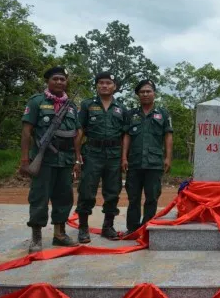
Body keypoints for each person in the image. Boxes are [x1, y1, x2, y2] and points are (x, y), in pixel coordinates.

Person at [20, 66, 80, 253]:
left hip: (65, 159)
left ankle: (59, 234)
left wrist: (77, 159)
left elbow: (76, 133)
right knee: (39, 197)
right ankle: (36, 237)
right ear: (48, 81)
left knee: (64, 197)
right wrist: (24, 159)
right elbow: (27, 131)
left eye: (63, 79)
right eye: (56, 79)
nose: (59, 82)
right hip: (43, 158)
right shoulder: (37, 101)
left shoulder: (71, 106)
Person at [75, 72, 128, 243]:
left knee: (113, 191)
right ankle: (83, 228)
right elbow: (80, 131)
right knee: (87, 190)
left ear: (114, 87)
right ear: (97, 86)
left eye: (108, 83)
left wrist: (123, 158)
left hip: (114, 155)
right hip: (92, 153)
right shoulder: (87, 105)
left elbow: (124, 135)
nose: (104, 86)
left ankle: (108, 226)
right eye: (101, 83)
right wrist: (76, 156)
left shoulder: (121, 108)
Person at [121, 79, 173, 235]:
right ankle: (132, 229)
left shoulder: (163, 114)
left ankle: (147, 229)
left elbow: (168, 136)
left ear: (154, 94)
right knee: (133, 198)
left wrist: (168, 158)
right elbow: (127, 136)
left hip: (154, 163)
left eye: (148, 91)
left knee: (152, 197)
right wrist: (124, 157)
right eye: (142, 92)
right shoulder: (131, 114)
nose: (145, 94)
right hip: (134, 163)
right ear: (138, 95)